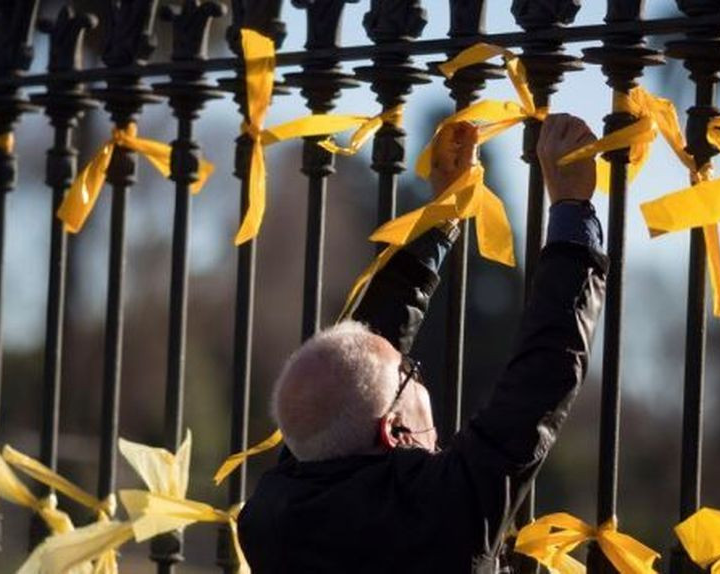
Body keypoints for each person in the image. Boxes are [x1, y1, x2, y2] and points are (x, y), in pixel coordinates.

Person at [238, 114, 607, 573]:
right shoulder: (437, 513)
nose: (416, 370)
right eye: (410, 373)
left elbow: (351, 377)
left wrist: (443, 214)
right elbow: (540, 379)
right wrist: (573, 210)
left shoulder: (271, 517)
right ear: (392, 431)